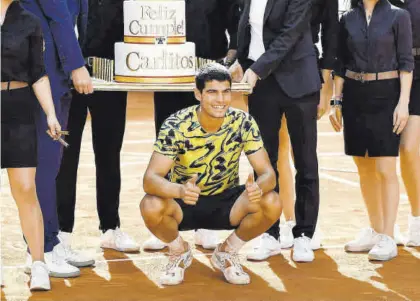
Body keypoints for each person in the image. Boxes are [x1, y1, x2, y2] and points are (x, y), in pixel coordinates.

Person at [140, 63, 281, 285]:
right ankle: (179, 251)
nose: (221, 99)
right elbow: (150, 179)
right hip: (185, 202)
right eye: (212, 92)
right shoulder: (176, 124)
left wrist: (258, 188)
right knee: (150, 205)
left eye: (226, 92)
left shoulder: (242, 122)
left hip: (227, 202)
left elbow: (268, 173)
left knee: (271, 201)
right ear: (198, 94)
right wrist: (179, 190)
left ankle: (226, 251)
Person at [143, 0, 241, 251]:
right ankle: (165, 223)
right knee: (167, 146)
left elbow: (235, 25)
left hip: (207, 72)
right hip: (167, 71)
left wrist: (229, 59)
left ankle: (207, 224)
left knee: (211, 145)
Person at [231, 0, 322, 262]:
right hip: (263, 87)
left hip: (298, 83)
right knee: (264, 164)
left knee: (305, 161)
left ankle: (304, 235)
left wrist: (256, 69)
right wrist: (240, 61)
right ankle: (269, 234)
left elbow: (289, 35)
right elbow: (247, 30)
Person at [329, 0, 413, 261]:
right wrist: (336, 101)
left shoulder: (399, 16)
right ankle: (376, 230)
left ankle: (388, 235)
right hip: (354, 96)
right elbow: (340, 64)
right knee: (363, 166)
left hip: (387, 96)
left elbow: (406, 62)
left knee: (385, 168)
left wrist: (403, 103)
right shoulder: (348, 19)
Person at [56, 0, 139, 254]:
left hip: (111, 77)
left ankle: (111, 227)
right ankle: (62, 233)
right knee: (65, 156)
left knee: (109, 153)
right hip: (67, 77)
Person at [20, 0, 94, 276]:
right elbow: (59, 17)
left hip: (57, 76)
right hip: (43, 73)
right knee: (42, 167)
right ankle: (41, 249)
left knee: (51, 167)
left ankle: (51, 240)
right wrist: (76, 65)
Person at [1, 0, 63, 290]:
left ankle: (39, 263)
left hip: (19, 108)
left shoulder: (29, 21)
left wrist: (51, 113)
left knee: (26, 187)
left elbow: (38, 72)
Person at [278, 0, 340, 250]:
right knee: (276, 150)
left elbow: (331, 29)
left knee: (302, 152)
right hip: (267, 69)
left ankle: (306, 225)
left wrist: (326, 83)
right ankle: (286, 220)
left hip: (305, 69)